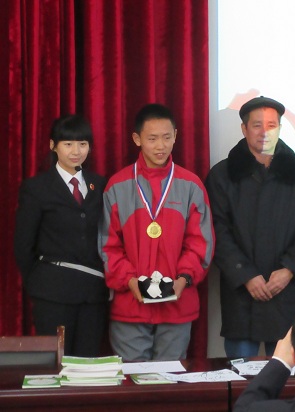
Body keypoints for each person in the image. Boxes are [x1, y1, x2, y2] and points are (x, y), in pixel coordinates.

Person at [205, 96, 295, 358]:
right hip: (241, 293)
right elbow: (217, 230)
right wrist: (246, 275)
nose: (264, 132)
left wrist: (289, 269)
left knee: (288, 375)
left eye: (272, 125)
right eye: (257, 125)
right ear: (244, 129)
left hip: (288, 291)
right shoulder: (222, 175)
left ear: (280, 128)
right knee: (239, 376)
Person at [99, 103, 214, 361]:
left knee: (169, 380)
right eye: (152, 139)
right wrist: (130, 281)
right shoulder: (117, 186)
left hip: (177, 306)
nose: (160, 146)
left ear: (175, 136)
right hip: (130, 307)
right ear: (137, 139)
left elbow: (200, 243)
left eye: (166, 137)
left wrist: (183, 279)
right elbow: (108, 246)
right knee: (131, 380)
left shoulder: (191, 185)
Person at [14, 114, 108, 357]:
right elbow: (23, 245)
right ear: (53, 146)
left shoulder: (100, 185)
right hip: (52, 294)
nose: (76, 151)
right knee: (56, 364)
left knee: (87, 365)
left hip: (92, 295)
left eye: (82, 144)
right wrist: (40, 281)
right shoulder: (37, 188)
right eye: (68, 144)